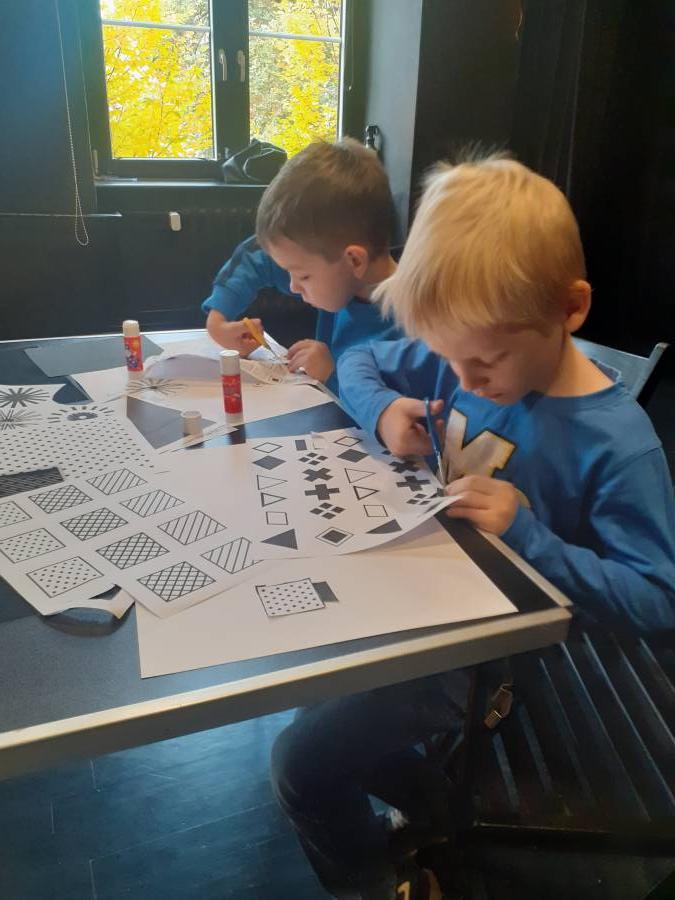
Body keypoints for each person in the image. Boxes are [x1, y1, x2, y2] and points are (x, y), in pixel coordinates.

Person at [270, 155, 675, 899]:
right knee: (309, 695)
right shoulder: (463, 349)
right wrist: (385, 412)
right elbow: (360, 362)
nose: (460, 381)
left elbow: (658, 600)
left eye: (483, 361)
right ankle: (437, 812)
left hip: (494, 655)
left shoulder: (618, 446)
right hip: (423, 595)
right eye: (446, 357)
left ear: (570, 308)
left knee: (298, 762)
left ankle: (379, 881)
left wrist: (528, 535)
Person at [202, 138, 401, 392]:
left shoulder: (417, 329)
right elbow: (258, 256)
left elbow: (401, 409)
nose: (293, 287)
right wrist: (217, 320)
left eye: (303, 277)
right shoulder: (343, 276)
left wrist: (333, 374)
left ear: (354, 260)